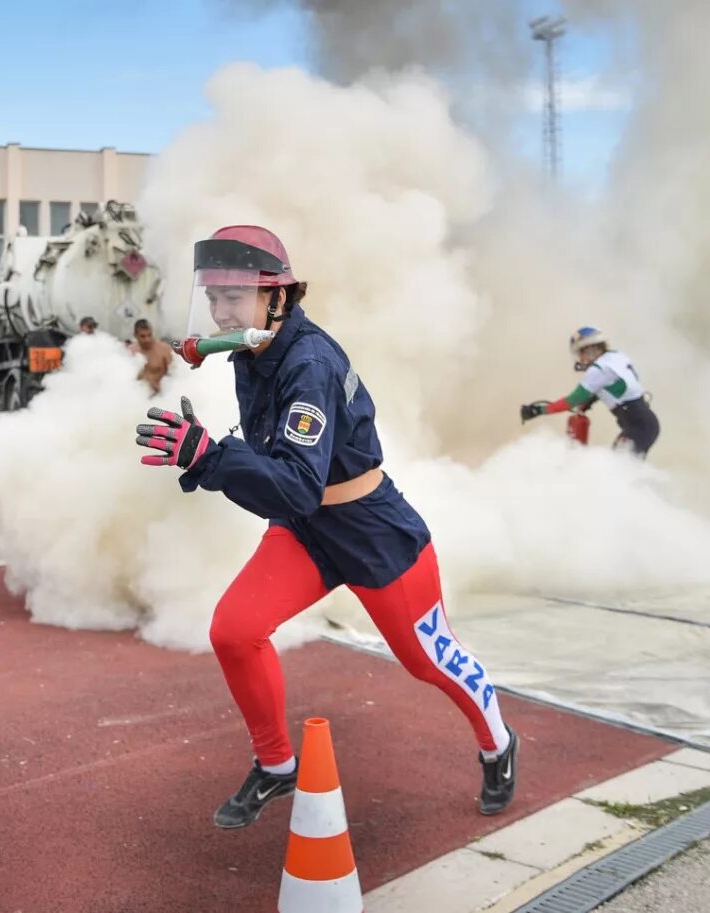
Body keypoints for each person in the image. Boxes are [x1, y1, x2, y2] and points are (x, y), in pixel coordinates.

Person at [133, 225, 518, 829]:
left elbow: (294, 483)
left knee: (429, 662)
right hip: (307, 529)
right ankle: (277, 766)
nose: (219, 309)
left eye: (235, 296)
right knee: (235, 631)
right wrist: (209, 456)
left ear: (277, 298)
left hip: (371, 530)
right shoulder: (251, 351)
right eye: (213, 296)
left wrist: (209, 457)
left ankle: (498, 742)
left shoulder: (309, 362)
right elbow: (284, 482)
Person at [520, 326, 660, 458]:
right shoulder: (616, 356)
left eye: (581, 353)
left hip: (638, 427)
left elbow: (571, 401)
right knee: (626, 470)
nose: (581, 359)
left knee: (617, 470)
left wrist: (538, 410)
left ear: (590, 349)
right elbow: (619, 385)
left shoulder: (598, 370)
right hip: (645, 423)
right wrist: (592, 398)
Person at [127, 318, 173, 395]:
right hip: (137, 395)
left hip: (159, 395)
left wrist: (164, 387)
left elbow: (174, 374)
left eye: (149, 335)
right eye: (142, 336)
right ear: (135, 335)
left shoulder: (164, 349)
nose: (147, 339)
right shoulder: (130, 351)